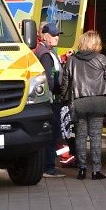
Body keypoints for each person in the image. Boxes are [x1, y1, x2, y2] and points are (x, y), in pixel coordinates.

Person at [60, 30, 106, 180]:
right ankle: (96, 171)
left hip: (78, 102)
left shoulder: (72, 60)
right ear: (96, 44)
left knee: (80, 136)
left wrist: (64, 102)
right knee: (96, 136)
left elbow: (65, 84)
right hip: (98, 102)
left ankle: (82, 170)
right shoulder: (102, 59)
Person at [34, 23, 66, 178]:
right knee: (52, 134)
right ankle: (48, 167)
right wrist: (62, 90)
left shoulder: (45, 51)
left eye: (58, 35)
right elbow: (49, 80)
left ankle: (47, 165)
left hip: (50, 99)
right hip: (52, 99)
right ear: (44, 36)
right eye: (53, 35)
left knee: (51, 133)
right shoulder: (45, 54)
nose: (57, 38)